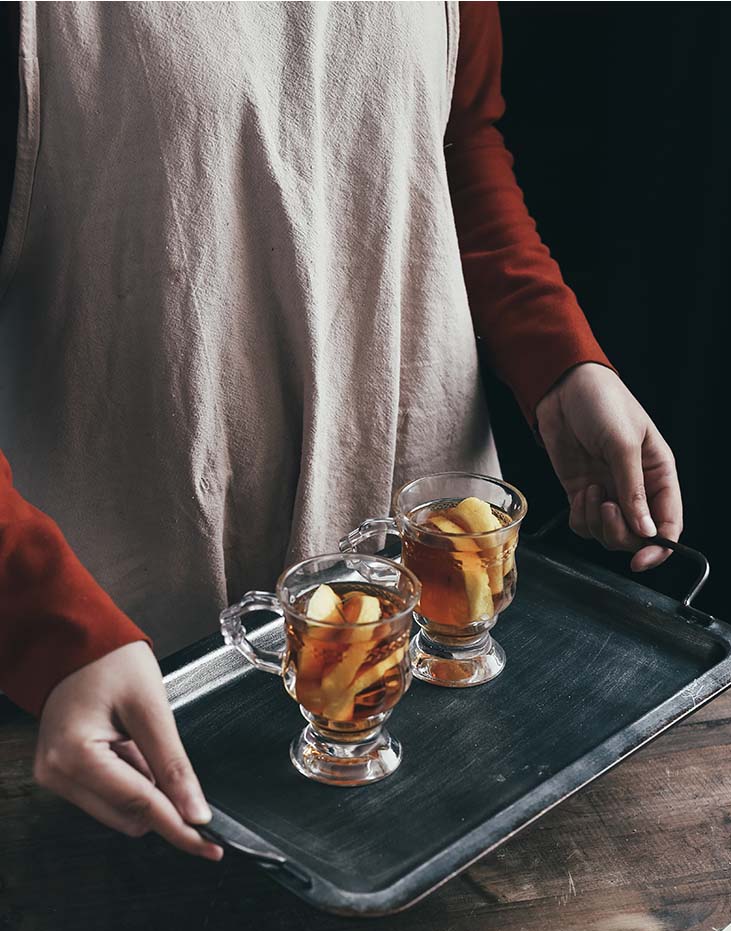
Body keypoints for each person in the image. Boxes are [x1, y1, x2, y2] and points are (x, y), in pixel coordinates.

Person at [0, 2, 682, 862]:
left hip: (434, 652)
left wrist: (558, 362)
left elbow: (451, 139)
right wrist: (46, 627)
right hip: (123, 715)